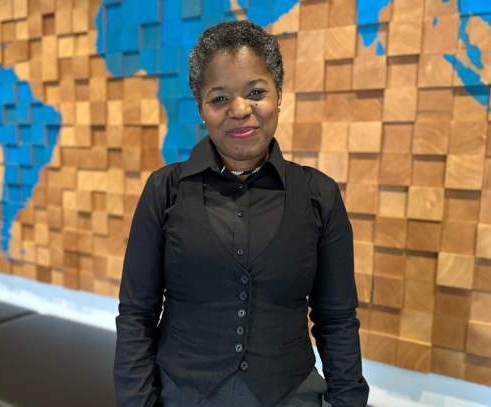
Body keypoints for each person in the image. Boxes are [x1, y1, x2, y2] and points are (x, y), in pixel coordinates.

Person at [113, 20, 369, 407]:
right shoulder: (165, 190)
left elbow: (337, 320)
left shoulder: (319, 195)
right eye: (219, 98)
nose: (239, 110)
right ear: (201, 108)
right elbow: (137, 314)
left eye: (256, 92)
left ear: (278, 94)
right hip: (181, 394)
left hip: (290, 396)